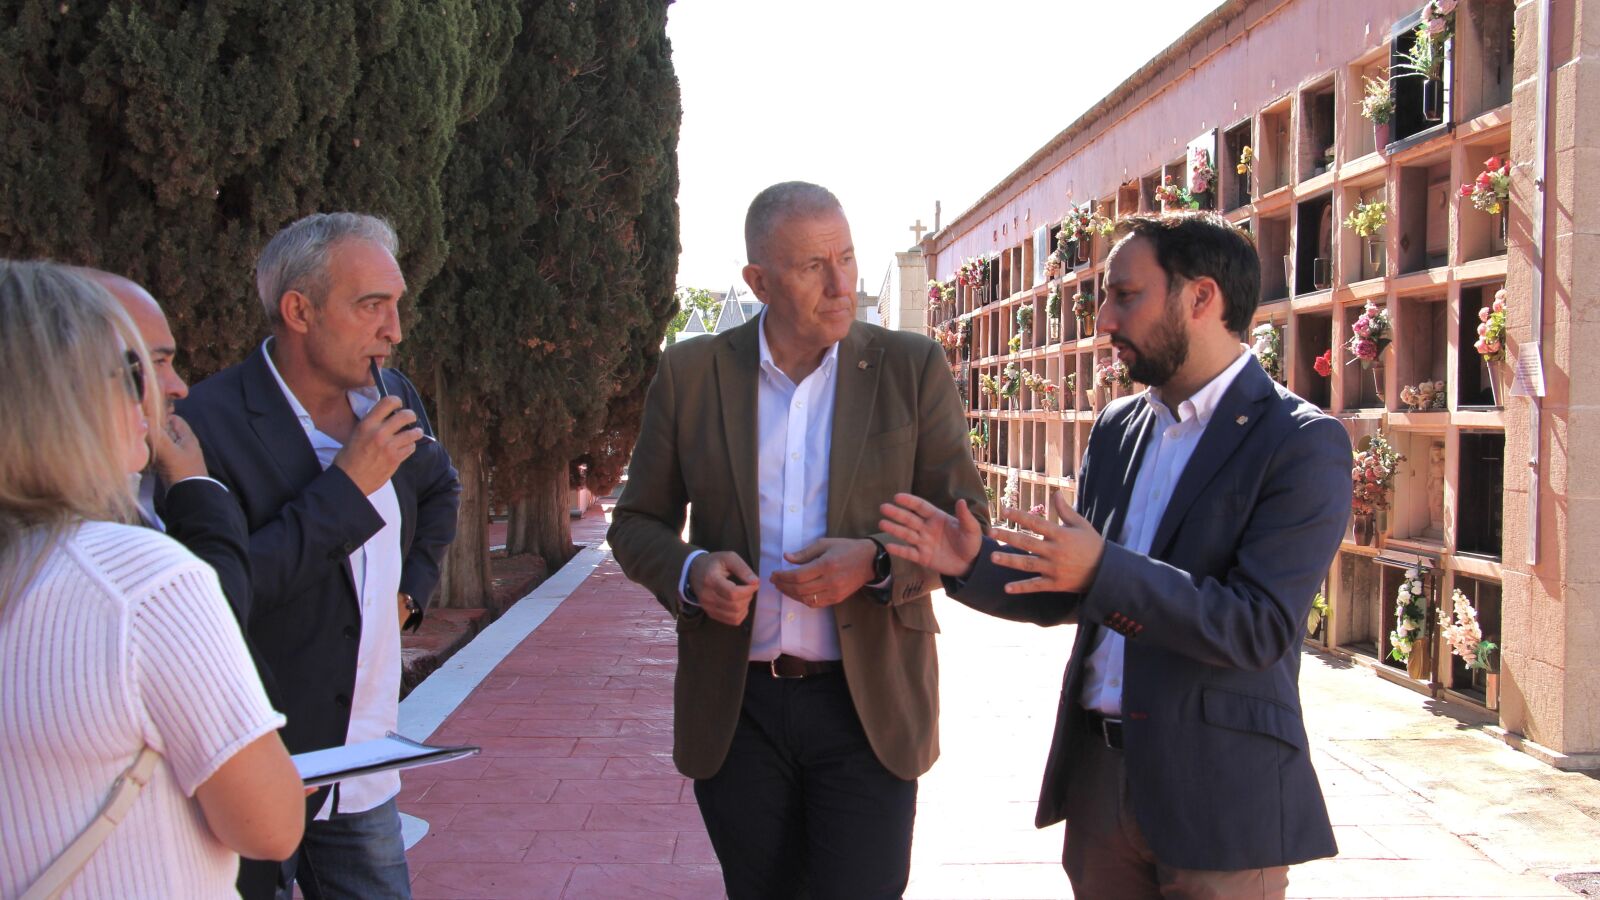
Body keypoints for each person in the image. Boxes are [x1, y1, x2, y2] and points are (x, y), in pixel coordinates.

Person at [880, 212, 1351, 898]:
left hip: (1220, 792)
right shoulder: (1117, 427)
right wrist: (971, 563)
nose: (1103, 321)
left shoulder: (1299, 441)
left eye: (1126, 296)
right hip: (1101, 784)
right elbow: (1082, 589)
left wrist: (1104, 568)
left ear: (1201, 297)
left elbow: (1259, 626)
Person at [608, 182, 986, 899]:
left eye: (846, 258)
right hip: (738, 709)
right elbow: (634, 523)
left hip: (868, 705)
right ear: (759, 281)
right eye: (814, 267)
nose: (842, 285)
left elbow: (965, 526)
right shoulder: (692, 375)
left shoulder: (910, 369)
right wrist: (691, 571)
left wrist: (876, 561)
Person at [0, 260, 304, 898]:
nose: (164, 394)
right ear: (60, 396)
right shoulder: (139, 578)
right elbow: (271, 827)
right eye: (133, 371)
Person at [180, 213, 461, 899]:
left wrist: (411, 593)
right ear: (299, 311)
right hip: (259, 769)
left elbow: (439, 487)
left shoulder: (391, 396)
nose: (395, 330)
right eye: (372, 306)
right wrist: (346, 489)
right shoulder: (206, 427)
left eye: (397, 305)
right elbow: (217, 597)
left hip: (365, 764)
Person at [89, 269, 288, 899]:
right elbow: (271, 823)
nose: (177, 386)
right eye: (153, 364)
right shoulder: (139, 572)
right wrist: (200, 492)